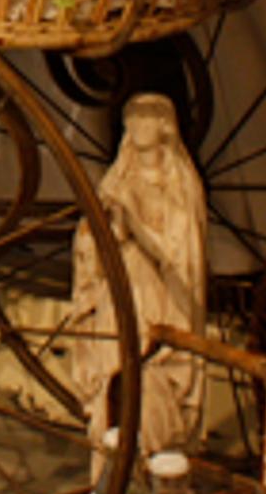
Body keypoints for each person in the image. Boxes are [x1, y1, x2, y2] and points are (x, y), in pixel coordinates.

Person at [67, 93, 210, 468]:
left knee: (151, 369)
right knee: (113, 364)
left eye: (146, 117)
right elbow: (94, 239)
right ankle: (111, 470)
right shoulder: (119, 179)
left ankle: (155, 464)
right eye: (131, 117)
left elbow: (177, 254)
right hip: (120, 284)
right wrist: (103, 231)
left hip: (159, 293)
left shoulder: (178, 184)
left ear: (165, 125)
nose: (136, 125)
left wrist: (132, 218)